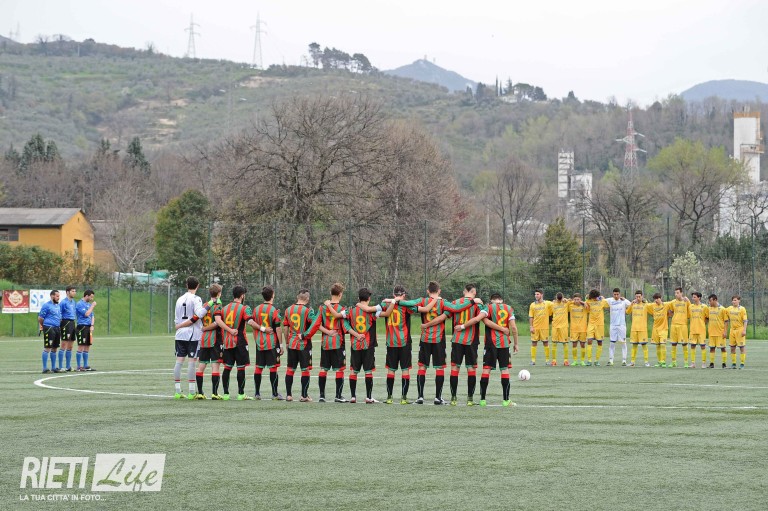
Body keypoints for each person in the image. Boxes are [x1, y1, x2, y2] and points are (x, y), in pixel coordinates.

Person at [420, 283, 486, 405]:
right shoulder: (478, 303)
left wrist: (427, 324)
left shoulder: (455, 303)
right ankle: (470, 399)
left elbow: (444, 316)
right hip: (471, 340)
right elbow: (482, 318)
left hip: (456, 340)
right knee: (471, 369)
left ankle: (453, 398)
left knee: (455, 368)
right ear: (474, 292)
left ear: (464, 291)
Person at [303, 283, 355, 403]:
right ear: (340, 294)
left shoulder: (323, 308)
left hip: (325, 342)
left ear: (331, 293)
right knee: (339, 369)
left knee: (324, 369)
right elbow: (345, 325)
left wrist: (306, 334)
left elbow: (316, 324)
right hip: (338, 342)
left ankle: (322, 396)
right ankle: (338, 396)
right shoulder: (342, 309)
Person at [174, 284, 223, 399]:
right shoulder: (217, 306)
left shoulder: (204, 305)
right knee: (215, 365)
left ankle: (198, 392)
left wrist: (180, 325)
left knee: (200, 365)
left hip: (202, 338)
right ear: (219, 293)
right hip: (213, 338)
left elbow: (196, 317)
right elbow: (217, 322)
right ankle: (214, 393)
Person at [378, 286, 420, 404]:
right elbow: (416, 305)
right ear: (404, 295)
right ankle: (404, 398)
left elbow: (377, 309)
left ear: (393, 294)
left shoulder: (386, 304)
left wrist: (390, 300)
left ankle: (389, 397)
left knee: (391, 370)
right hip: (404, 342)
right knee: (405, 370)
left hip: (391, 341)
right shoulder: (406, 306)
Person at [344, 288, 385, 403]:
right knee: (368, 371)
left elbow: (344, 322)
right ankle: (368, 397)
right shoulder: (372, 311)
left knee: (354, 370)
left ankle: (353, 397)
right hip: (368, 345)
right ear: (369, 298)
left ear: (358, 298)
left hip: (355, 344)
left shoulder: (351, 311)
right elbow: (384, 309)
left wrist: (356, 334)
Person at [215, 285, 256, 400]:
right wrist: (262, 328)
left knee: (227, 368)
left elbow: (218, 322)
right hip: (240, 342)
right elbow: (250, 322)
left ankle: (226, 394)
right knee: (241, 368)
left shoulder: (224, 308)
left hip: (227, 342)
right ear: (242, 295)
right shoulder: (244, 308)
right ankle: (241, 394)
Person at [479, 293, 518, 407]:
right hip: (504, 344)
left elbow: (485, 321)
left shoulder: (489, 307)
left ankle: (482, 400)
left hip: (490, 343)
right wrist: (516, 344)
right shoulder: (508, 308)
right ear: (501, 300)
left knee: (486, 370)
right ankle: (506, 401)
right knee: (504, 370)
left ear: (492, 300)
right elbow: (514, 328)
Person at [282, 289, 318, 402]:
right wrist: (306, 334)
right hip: (304, 344)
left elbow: (285, 328)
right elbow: (315, 325)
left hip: (292, 343)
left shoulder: (288, 310)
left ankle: (289, 395)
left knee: (290, 369)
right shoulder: (308, 311)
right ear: (307, 299)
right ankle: (304, 395)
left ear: (297, 297)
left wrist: (287, 342)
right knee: (305, 370)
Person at [251, 286, 284, 400]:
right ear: (272, 295)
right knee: (273, 368)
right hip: (271, 342)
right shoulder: (273, 310)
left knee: (258, 368)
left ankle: (257, 393)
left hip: (259, 342)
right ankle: (274, 394)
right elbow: (278, 328)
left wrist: (256, 339)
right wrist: (281, 345)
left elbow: (254, 326)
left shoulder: (256, 309)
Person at [605, 288, 631, 366]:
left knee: (623, 343)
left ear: (620, 294)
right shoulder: (610, 300)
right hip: (613, 326)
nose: (616, 296)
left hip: (621, 326)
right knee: (612, 343)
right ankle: (611, 360)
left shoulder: (623, 301)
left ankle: (624, 360)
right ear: (613, 294)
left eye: (617, 294)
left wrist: (625, 299)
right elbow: (601, 300)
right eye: (615, 294)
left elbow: (631, 304)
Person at [39, 290, 62, 374]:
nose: (58, 298)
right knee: (48, 347)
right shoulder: (46, 305)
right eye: (57, 296)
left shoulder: (58, 306)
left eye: (59, 296)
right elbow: (40, 318)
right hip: (49, 328)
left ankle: (53, 367)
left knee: (55, 348)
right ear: (52, 296)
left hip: (57, 328)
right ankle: (45, 368)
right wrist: (44, 326)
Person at [667, 287, 690, 368]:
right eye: (675, 293)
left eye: (677, 293)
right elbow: (668, 309)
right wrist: (671, 314)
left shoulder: (686, 301)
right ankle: (673, 362)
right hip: (674, 325)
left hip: (683, 325)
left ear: (681, 293)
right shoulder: (672, 302)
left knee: (684, 344)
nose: (676, 294)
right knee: (673, 344)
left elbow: (690, 310)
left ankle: (686, 362)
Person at [74, 290, 96, 372]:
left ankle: (85, 365)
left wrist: (92, 325)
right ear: (86, 296)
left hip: (88, 327)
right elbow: (87, 314)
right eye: (91, 297)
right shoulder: (79, 304)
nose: (92, 299)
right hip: (81, 327)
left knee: (87, 346)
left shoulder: (88, 304)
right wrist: (92, 306)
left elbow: (92, 316)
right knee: (81, 346)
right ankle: (78, 366)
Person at [528, 289, 552, 366]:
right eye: (535, 294)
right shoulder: (532, 305)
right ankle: (533, 361)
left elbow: (556, 303)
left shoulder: (547, 303)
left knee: (546, 342)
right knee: (534, 343)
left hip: (544, 327)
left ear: (542, 295)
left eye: (537, 294)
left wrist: (564, 299)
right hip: (535, 327)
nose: (536, 296)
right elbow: (531, 317)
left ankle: (547, 361)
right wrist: (531, 326)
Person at [705, 294, 729, 369]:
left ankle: (724, 364)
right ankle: (711, 364)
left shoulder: (722, 309)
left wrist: (725, 331)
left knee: (723, 348)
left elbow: (726, 321)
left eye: (710, 301)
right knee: (712, 348)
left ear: (715, 300)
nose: (709, 302)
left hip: (720, 333)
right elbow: (706, 319)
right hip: (711, 332)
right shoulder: (709, 309)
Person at [585, 290, 609, 366]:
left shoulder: (602, 301)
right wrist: (586, 300)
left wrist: (603, 298)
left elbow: (610, 303)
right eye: (593, 297)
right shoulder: (588, 301)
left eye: (596, 297)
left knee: (600, 342)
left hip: (600, 325)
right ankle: (589, 360)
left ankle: (597, 360)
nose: (595, 299)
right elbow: (585, 303)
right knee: (589, 341)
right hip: (591, 324)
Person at [627, 291, 650, 367]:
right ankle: (632, 362)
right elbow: (627, 312)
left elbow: (651, 309)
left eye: (639, 296)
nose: (638, 298)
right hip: (634, 328)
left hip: (642, 329)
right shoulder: (633, 304)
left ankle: (646, 362)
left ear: (642, 296)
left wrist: (646, 301)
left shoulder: (645, 304)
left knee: (644, 345)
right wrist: (631, 303)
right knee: (634, 345)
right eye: (636, 296)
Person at [648, 293, 670, 367]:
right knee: (657, 346)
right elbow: (645, 304)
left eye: (657, 298)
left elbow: (674, 303)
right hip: (655, 329)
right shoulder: (652, 305)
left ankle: (663, 361)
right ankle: (659, 361)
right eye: (655, 299)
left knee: (663, 345)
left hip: (663, 329)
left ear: (661, 298)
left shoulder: (665, 305)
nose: (656, 300)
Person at [58, 286, 77, 372]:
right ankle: (60, 366)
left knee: (70, 346)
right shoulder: (63, 302)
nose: (74, 292)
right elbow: (59, 313)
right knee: (64, 344)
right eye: (72, 291)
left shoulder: (74, 302)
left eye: (75, 291)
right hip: (66, 323)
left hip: (72, 323)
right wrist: (61, 324)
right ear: (67, 292)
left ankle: (68, 366)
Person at [726, 295, 748, 369]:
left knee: (741, 347)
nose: (734, 301)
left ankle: (742, 364)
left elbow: (745, 320)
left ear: (739, 301)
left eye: (735, 300)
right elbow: (722, 311)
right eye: (733, 300)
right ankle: (734, 363)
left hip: (740, 330)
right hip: (732, 330)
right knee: (732, 347)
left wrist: (744, 330)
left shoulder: (742, 309)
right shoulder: (729, 308)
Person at [688, 292, 708, 368]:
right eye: (693, 297)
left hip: (701, 330)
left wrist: (702, 324)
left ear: (699, 298)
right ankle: (693, 363)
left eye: (694, 297)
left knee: (703, 346)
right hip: (693, 329)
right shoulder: (690, 307)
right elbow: (689, 316)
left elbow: (707, 318)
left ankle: (704, 363)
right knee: (692, 346)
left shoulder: (704, 307)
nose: (693, 298)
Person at [549, 293, 570, 366]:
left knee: (565, 343)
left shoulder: (566, 303)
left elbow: (573, 301)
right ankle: (554, 361)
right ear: (556, 298)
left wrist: (567, 299)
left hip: (563, 326)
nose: (559, 299)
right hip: (555, 326)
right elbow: (549, 313)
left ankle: (566, 361)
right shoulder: (552, 304)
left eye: (560, 298)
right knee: (554, 343)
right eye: (558, 298)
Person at [567, 293, 588, 366]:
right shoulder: (571, 306)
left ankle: (582, 361)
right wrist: (571, 301)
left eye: (578, 299)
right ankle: (575, 361)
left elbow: (589, 305)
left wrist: (583, 303)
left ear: (580, 299)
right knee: (574, 344)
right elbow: (566, 302)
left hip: (583, 329)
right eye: (575, 299)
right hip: (574, 329)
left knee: (582, 345)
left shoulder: (584, 306)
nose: (576, 301)